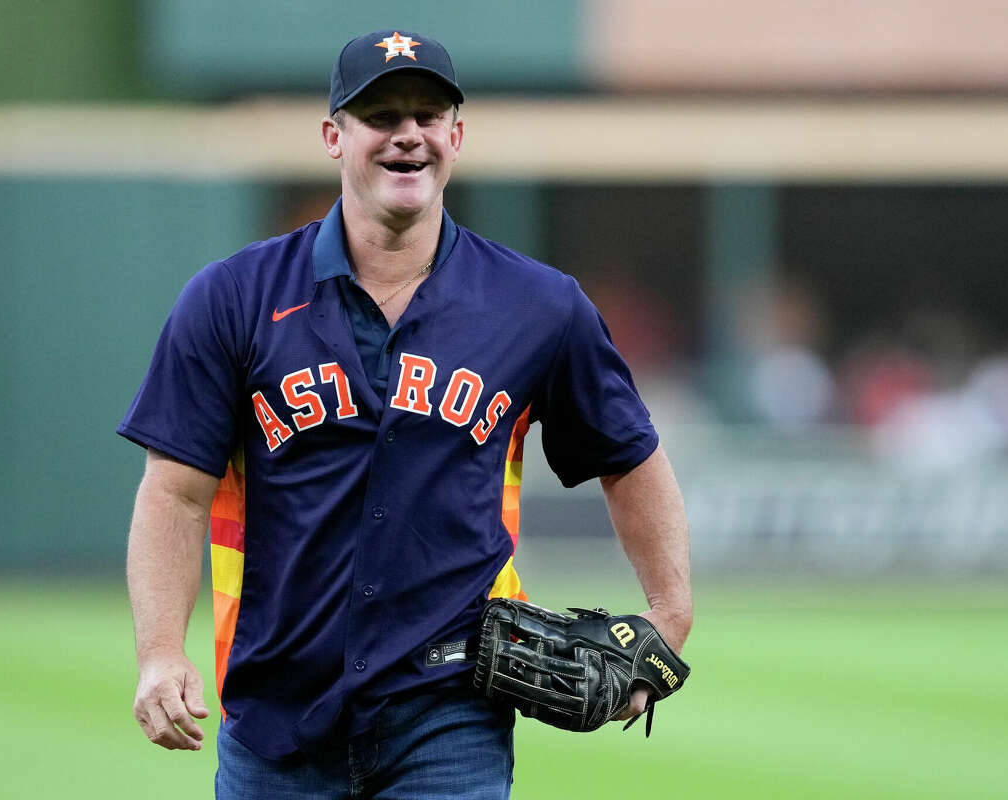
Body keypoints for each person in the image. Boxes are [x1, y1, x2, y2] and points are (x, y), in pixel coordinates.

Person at [118, 28, 692, 800]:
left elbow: (629, 458)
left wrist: (671, 614)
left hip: (449, 715)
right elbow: (174, 491)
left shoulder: (539, 307)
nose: (407, 135)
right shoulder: (233, 298)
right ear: (334, 137)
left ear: (456, 136)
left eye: (428, 114)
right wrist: (160, 650)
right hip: (276, 718)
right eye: (381, 115)